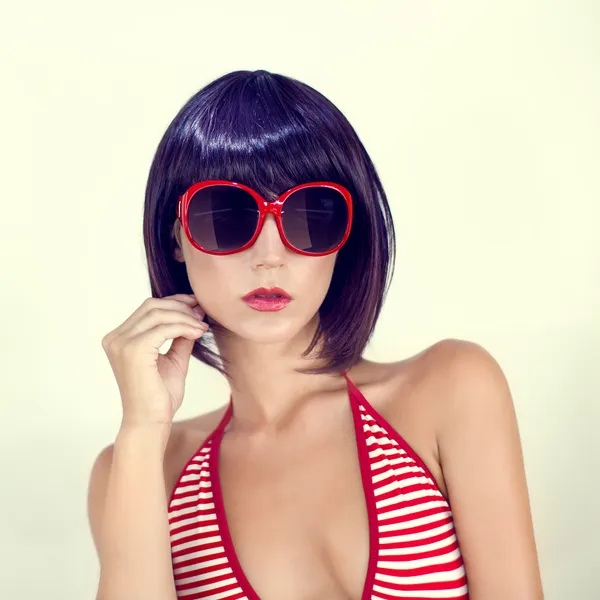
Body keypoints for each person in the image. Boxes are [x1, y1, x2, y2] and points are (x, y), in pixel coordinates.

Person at [86, 69, 544, 600]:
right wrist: (142, 430)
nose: (270, 256)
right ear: (176, 237)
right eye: (227, 217)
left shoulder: (451, 389)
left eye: (309, 216)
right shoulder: (142, 472)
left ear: (344, 239)